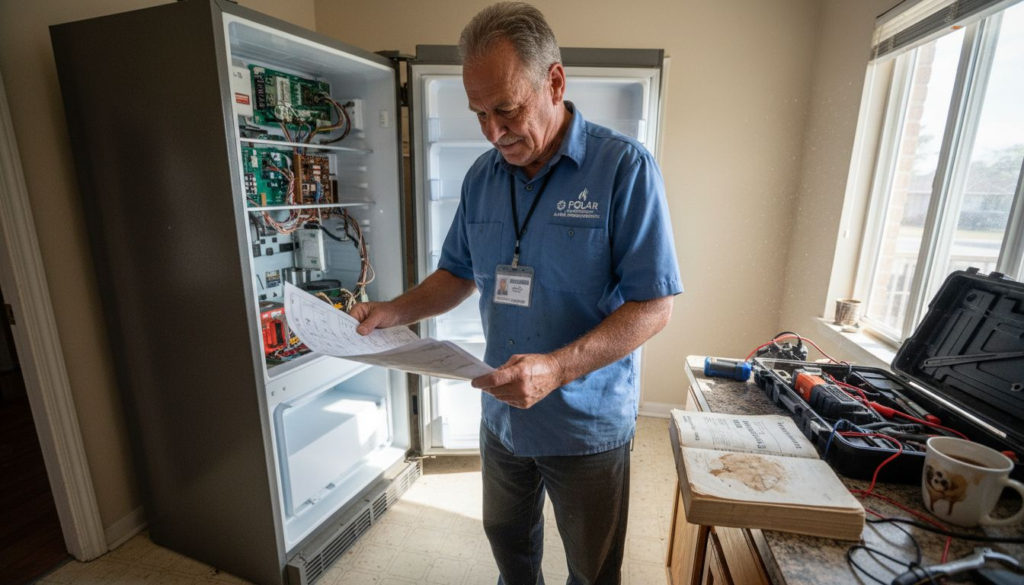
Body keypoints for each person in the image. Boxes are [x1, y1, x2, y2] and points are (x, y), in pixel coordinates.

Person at [350, 3, 682, 583]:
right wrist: (391, 311)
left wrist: (556, 368)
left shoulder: (623, 168)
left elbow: (654, 305)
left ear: (554, 81)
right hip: (502, 416)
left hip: (586, 426)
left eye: (506, 109)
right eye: (479, 113)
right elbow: (457, 273)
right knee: (509, 550)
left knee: (592, 569)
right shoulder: (482, 175)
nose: (493, 131)